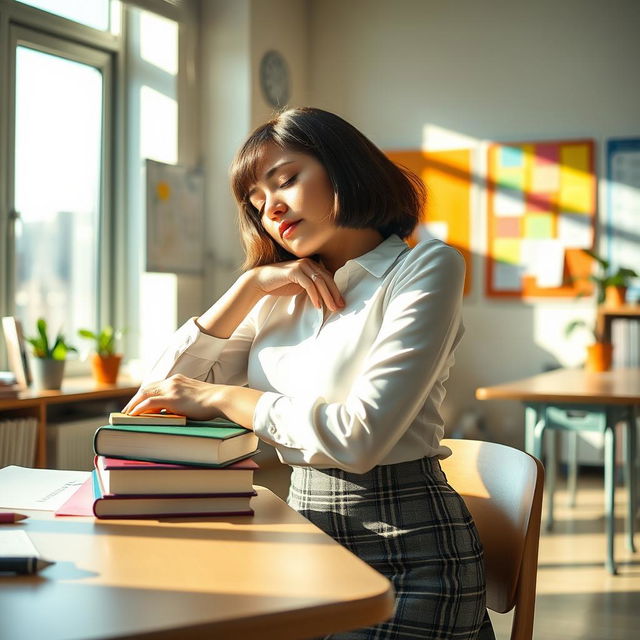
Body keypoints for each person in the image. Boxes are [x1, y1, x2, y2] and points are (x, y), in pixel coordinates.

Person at [123, 107, 495, 640]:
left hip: (412, 558)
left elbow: (358, 438)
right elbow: (159, 398)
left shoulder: (426, 268)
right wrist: (248, 288)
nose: (271, 208)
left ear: (345, 169)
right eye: (256, 202)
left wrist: (225, 399)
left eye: (286, 181)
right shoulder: (279, 296)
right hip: (304, 542)